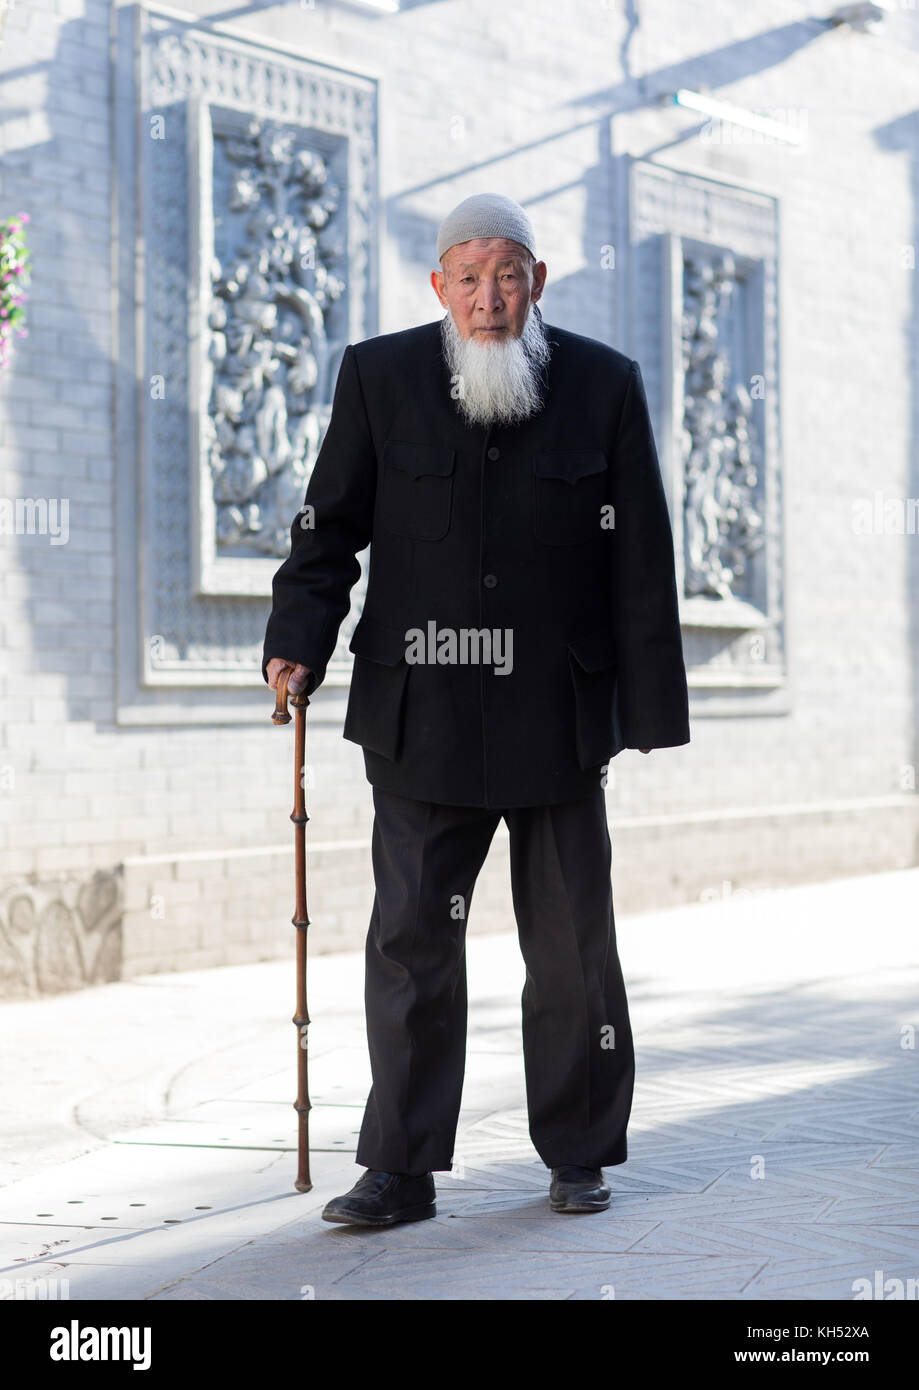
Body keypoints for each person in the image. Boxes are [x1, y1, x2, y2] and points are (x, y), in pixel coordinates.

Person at [263, 192, 690, 1225]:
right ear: (438, 286)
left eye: (508, 277)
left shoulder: (602, 385)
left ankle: (579, 1149)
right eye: (470, 279)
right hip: (422, 711)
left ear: (536, 281)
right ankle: (400, 1167)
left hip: (556, 713)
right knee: (410, 941)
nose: (489, 300)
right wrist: (297, 637)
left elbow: (639, 559)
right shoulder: (379, 378)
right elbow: (328, 527)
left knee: (571, 943)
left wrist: (643, 709)